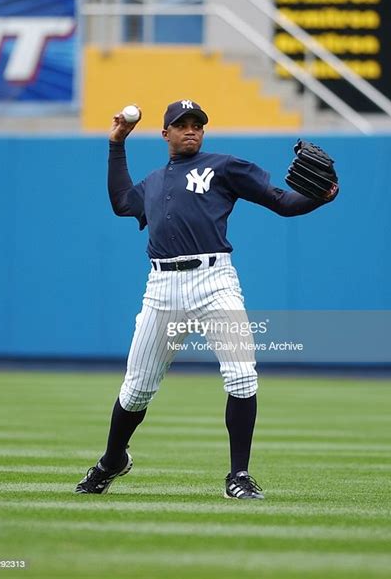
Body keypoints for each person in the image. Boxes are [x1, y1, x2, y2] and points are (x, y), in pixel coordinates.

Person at [75, 99, 338, 499]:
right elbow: (121, 203)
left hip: (215, 281)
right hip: (162, 289)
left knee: (243, 375)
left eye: (197, 123)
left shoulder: (224, 166)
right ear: (165, 133)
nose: (191, 129)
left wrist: (321, 197)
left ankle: (239, 475)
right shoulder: (153, 182)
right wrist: (117, 144)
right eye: (181, 124)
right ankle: (112, 461)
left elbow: (283, 203)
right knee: (136, 389)